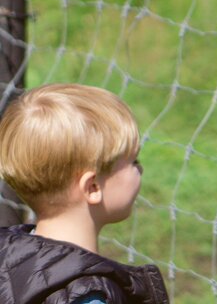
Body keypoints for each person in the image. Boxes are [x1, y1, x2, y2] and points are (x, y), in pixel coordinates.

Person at [0, 83, 169, 304]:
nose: (141, 169)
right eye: (133, 161)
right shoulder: (88, 295)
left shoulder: (11, 255)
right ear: (92, 187)